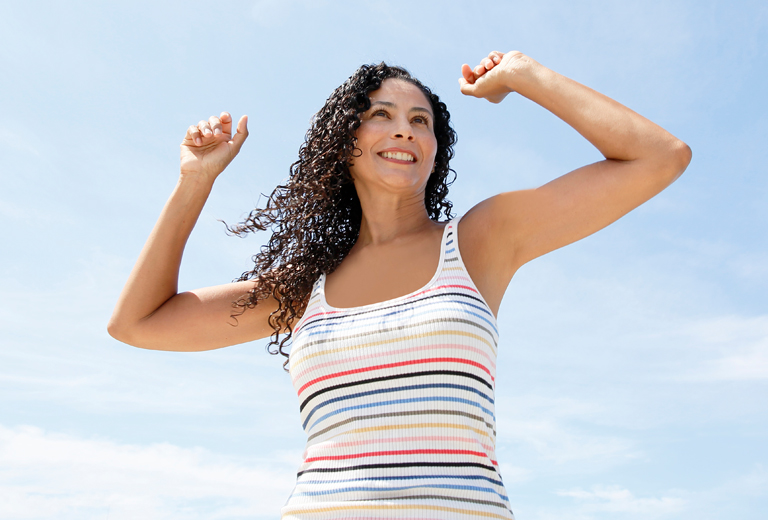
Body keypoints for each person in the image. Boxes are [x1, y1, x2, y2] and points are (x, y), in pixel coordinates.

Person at [108, 50, 691, 519]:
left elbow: (659, 157)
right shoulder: (304, 288)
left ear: (436, 150)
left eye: (421, 121)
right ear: (345, 142)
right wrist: (195, 182)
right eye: (381, 114)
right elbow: (138, 323)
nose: (404, 130)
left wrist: (524, 74)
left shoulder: (480, 241)